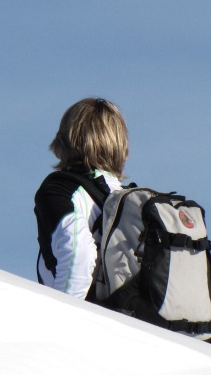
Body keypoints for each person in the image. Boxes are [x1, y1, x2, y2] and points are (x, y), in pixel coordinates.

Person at [34, 97, 129, 299]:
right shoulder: (127, 201)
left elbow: (78, 252)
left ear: (67, 139)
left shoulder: (60, 189)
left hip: (86, 315)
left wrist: (67, 313)